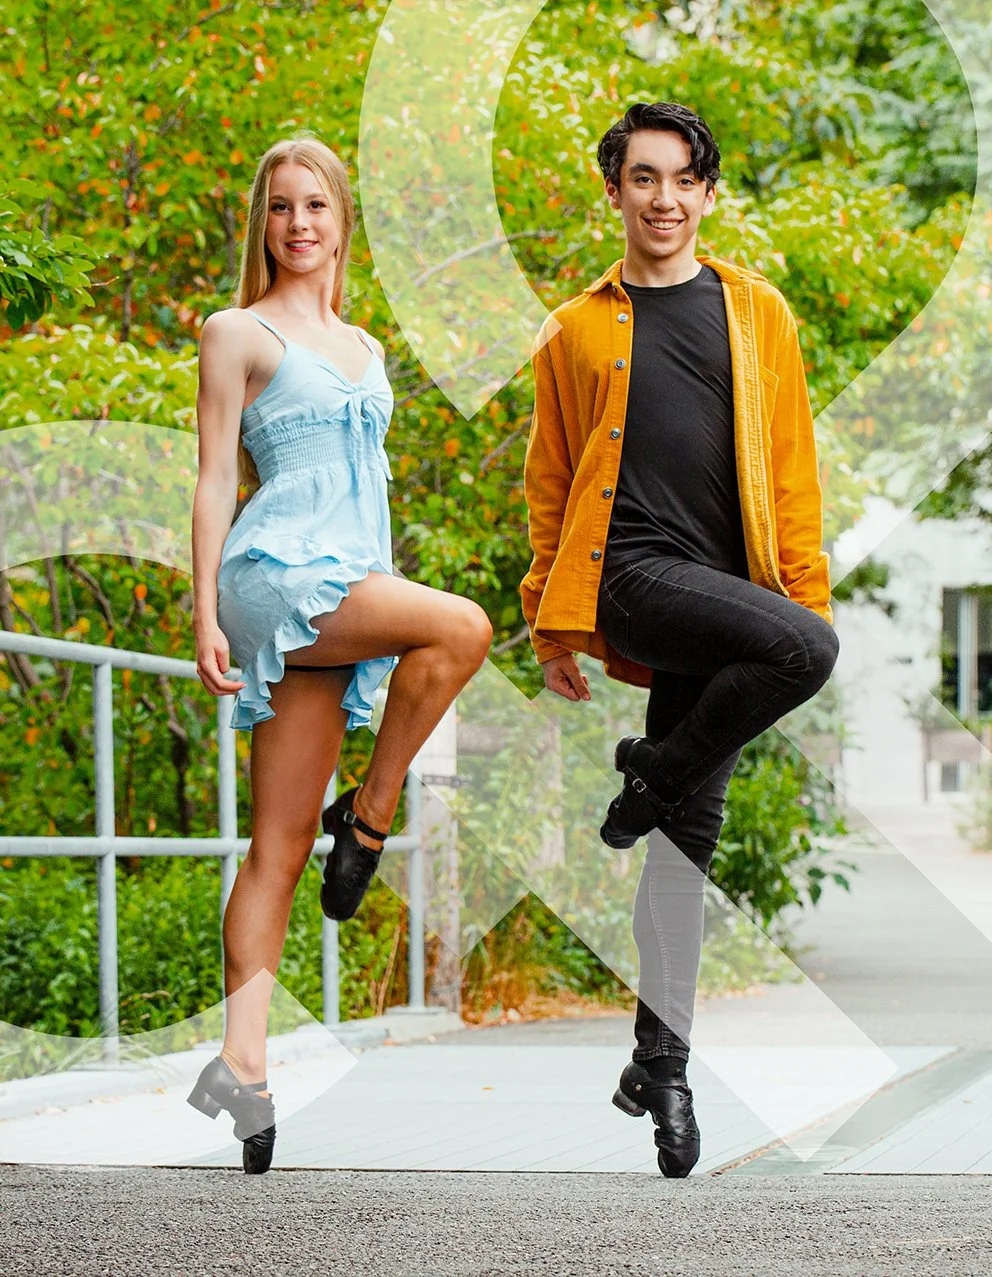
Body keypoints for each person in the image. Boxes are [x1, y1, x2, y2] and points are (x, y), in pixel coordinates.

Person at [520, 102, 838, 1178]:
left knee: (683, 841)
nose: (663, 198)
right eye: (641, 178)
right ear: (613, 190)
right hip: (627, 575)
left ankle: (661, 1061)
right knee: (806, 656)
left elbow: (791, 473)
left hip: (728, 590)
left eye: (681, 180)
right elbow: (551, 479)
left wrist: (803, 593)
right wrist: (547, 616)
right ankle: (652, 770)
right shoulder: (575, 326)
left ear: (707, 194)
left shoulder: (756, 312)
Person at [188, 136, 492, 1173]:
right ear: (262, 223)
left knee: (275, 848)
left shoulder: (364, 344)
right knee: (462, 625)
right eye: (280, 207)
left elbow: (367, 487)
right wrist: (203, 613)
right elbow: (214, 480)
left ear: (341, 218)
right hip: (276, 574)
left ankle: (241, 1065)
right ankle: (365, 818)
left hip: (346, 577)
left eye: (316, 205)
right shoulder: (237, 331)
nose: (299, 223)